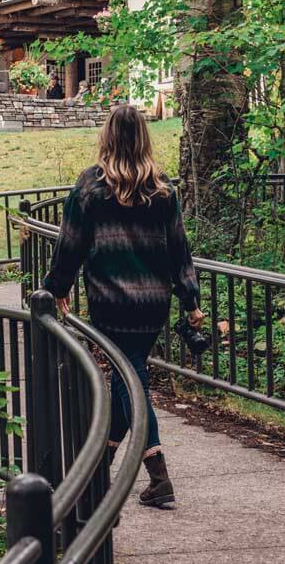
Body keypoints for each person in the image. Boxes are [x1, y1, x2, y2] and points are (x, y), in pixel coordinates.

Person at [42, 104, 203, 507]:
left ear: (107, 136)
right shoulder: (162, 188)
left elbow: (70, 244)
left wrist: (55, 287)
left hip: (110, 303)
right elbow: (179, 251)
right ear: (144, 137)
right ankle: (101, 471)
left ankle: (156, 474)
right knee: (129, 378)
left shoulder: (91, 187)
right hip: (153, 304)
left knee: (131, 382)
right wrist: (189, 299)